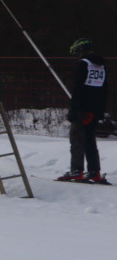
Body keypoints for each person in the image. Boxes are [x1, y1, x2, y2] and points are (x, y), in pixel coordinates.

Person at [58, 38, 109, 183]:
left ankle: (76, 170)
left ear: (80, 50)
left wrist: (74, 109)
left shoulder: (82, 64)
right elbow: (104, 90)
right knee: (90, 140)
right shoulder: (101, 66)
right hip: (95, 109)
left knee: (76, 139)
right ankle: (94, 171)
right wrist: (99, 110)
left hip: (81, 109)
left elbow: (78, 89)